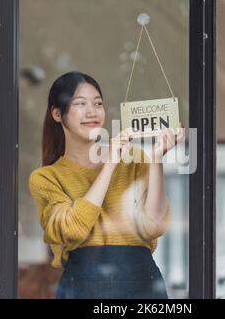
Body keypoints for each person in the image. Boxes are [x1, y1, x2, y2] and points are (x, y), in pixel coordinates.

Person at [28, 71, 184, 299]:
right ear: (57, 114)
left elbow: (154, 226)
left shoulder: (135, 158)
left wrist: (157, 158)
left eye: (97, 103)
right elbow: (73, 229)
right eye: (80, 104)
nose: (92, 112)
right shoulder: (46, 178)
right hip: (82, 287)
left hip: (142, 284)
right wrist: (110, 164)